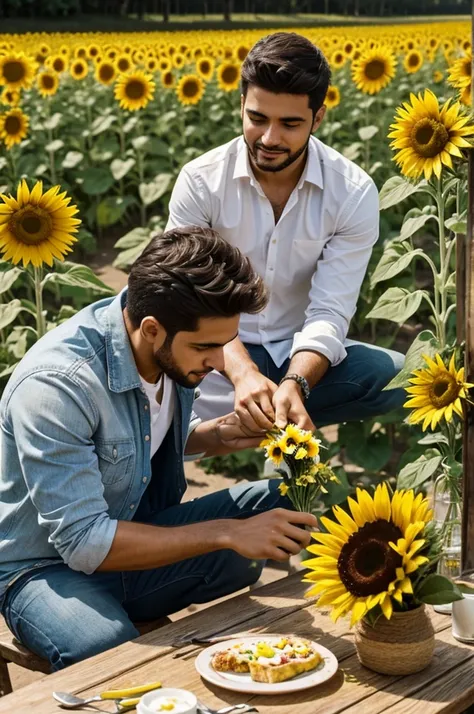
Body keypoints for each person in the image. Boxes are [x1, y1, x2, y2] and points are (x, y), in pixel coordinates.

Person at [0, 226, 316, 670]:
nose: (218, 360)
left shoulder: (164, 348)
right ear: (152, 329)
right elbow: (83, 542)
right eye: (206, 347)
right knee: (110, 651)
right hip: (44, 567)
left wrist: (222, 432)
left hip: (131, 535)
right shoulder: (58, 386)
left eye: (226, 343)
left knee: (283, 504)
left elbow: (144, 440)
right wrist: (225, 532)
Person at [166, 32, 405, 435]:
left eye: (290, 123)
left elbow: (330, 311)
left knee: (398, 378)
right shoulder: (202, 182)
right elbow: (189, 300)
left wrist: (297, 382)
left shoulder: (351, 191)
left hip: (300, 353)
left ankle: (280, 414)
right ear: (241, 105)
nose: (270, 138)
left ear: (318, 118)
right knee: (147, 379)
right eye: (257, 118)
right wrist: (242, 372)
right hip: (213, 354)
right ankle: (210, 433)